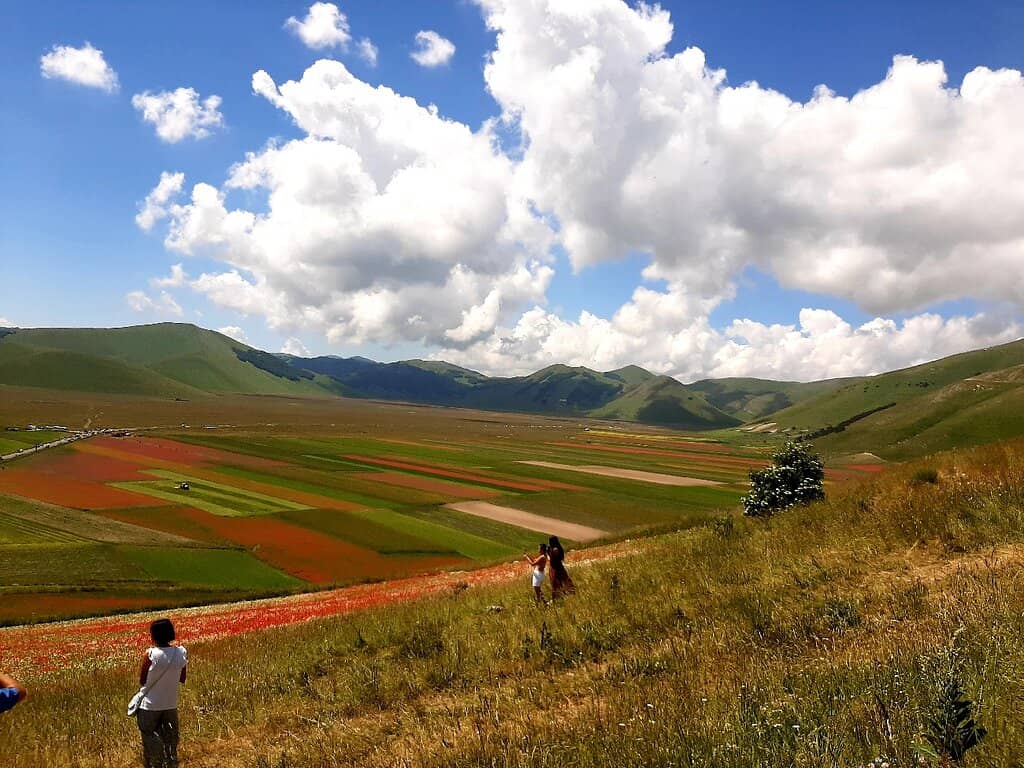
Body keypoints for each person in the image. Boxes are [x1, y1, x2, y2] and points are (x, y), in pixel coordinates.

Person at [136, 618, 188, 768]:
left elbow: (142, 680)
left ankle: (155, 760)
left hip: (149, 706)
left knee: (148, 732)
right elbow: (182, 678)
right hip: (170, 704)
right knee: (171, 736)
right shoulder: (181, 653)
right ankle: (171, 761)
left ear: (154, 635)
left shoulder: (150, 654)